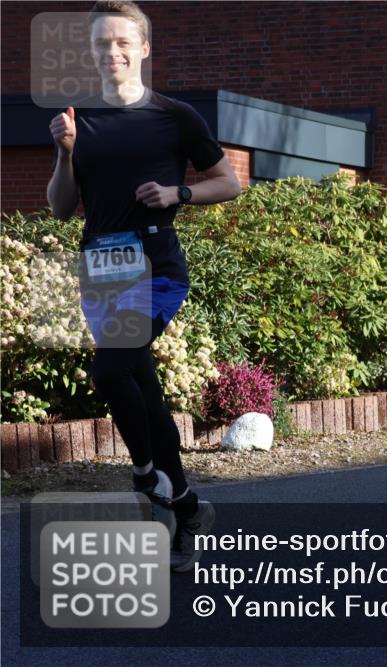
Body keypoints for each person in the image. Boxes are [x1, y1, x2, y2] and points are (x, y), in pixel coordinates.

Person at [46, 0, 241, 572]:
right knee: (140, 382)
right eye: (102, 44)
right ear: (92, 52)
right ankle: (185, 506)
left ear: (144, 48)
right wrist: (64, 152)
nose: (113, 52)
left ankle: (144, 476)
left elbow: (228, 182)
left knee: (111, 368)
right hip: (102, 269)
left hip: (155, 265)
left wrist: (178, 193)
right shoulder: (78, 120)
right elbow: (60, 208)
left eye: (123, 42)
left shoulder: (175, 116)